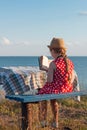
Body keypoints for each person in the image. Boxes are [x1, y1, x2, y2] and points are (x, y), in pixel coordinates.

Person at [38, 37, 74, 128]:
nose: (50, 53)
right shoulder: (69, 62)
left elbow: (49, 81)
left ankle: (43, 122)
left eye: (50, 51)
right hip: (67, 88)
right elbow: (71, 78)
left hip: (57, 89)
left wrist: (48, 70)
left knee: (41, 94)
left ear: (53, 50)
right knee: (52, 99)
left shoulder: (53, 64)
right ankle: (55, 122)